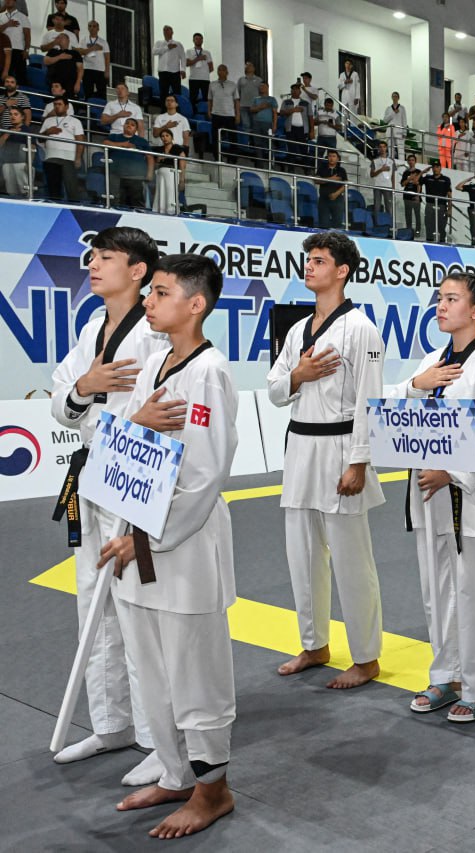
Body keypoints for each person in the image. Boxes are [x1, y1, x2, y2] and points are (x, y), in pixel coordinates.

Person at [104, 253, 237, 840]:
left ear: (195, 304)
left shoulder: (209, 373)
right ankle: (176, 773)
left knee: (194, 672)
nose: (148, 301)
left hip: (180, 545)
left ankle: (213, 790)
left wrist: (145, 539)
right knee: (154, 672)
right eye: (150, 291)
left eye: (160, 292)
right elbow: (126, 442)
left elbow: (204, 476)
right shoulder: (157, 362)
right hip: (137, 535)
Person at [48, 227, 166, 787]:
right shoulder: (92, 327)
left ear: (138, 270)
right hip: (92, 471)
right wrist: (84, 386)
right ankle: (111, 722)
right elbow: (60, 402)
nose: (93, 265)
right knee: (92, 603)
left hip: (137, 476)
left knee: (139, 609)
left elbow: (166, 407)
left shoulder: (155, 331)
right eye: (92, 257)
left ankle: (157, 737)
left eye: (107, 258)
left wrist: (119, 417)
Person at [266, 232, 386, 689]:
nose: (309, 266)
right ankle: (314, 644)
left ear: (342, 271)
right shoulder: (298, 329)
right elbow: (275, 389)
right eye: (308, 260)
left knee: (352, 562)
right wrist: (298, 375)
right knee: (302, 557)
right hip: (301, 447)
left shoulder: (360, 329)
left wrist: (359, 462)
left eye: (319, 260)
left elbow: (370, 400)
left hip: (340, 449)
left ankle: (366, 657)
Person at [398, 273, 475, 722]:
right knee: (438, 590)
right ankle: (445, 675)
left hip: (471, 493)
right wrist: (417, 383)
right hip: (430, 494)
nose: (441, 306)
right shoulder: (432, 360)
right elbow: (396, 412)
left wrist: (451, 470)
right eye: (439, 298)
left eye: (451, 299)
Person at [38, 95, 84, 202]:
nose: (57, 106)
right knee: (53, 188)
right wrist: (48, 132)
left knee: (71, 187)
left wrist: (78, 158)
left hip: (69, 158)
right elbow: (40, 139)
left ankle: (74, 207)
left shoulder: (75, 121)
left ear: (66, 106)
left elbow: (80, 141)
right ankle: (55, 206)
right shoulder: (48, 121)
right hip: (51, 157)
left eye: (60, 104)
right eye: (55, 105)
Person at [102, 117, 152, 208]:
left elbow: (150, 157)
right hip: (115, 174)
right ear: (123, 125)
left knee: (136, 203)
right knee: (115, 201)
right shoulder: (114, 137)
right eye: (127, 123)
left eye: (132, 125)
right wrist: (122, 144)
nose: (129, 125)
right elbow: (105, 143)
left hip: (135, 176)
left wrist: (149, 174)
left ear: (136, 129)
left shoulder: (142, 141)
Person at [150, 127, 185, 215]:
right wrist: (158, 160)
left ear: (172, 137)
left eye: (167, 135)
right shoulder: (158, 149)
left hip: (172, 174)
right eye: (162, 136)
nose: (164, 138)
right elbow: (154, 164)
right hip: (160, 175)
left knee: (171, 194)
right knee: (160, 194)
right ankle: (159, 211)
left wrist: (182, 180)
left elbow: (182, 165)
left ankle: (171, 212)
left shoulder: (177, 148)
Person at [0, 105, 34, 196]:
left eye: (16, 114)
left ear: (22, 117)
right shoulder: (8, 130)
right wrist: (8, 133)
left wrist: (29, 163)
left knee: (24, 190)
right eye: (10, 114)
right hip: (7, 163)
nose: (12, 117)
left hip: (21, 163)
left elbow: (32, 148)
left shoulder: (27, 130)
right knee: (10, 190)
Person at [208, 65, 237, 160]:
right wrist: (209, 111)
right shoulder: (212, 84)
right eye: (219, 70)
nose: (221, 71)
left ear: (227, 72)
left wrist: (238, 115)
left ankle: (232, 158)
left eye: (223, 70)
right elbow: (209, 99)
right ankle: (217, 157)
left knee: (232, 137)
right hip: (216, 114)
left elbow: (236, 101)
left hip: (230, 114)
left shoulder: (232, 85)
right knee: (215, 137)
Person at [0, 0, 31, 86]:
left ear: (15, 2)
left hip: (18, 50)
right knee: (3, 76)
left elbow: (27, 35)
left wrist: (27, 50)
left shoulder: (22, 17)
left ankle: (21, 94)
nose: (8, 1)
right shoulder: (0, 16)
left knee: (20, 77)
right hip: (2, 51)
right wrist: (7, 24)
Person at [278, 83, 311, 164]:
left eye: (296, 89)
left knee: (304, 149)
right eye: (293, 89)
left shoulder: (306, 103)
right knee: (291, 149)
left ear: (300, 91)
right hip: (290, 129)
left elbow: (310, 117)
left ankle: (306, 168)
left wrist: (312, 131)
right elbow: (281, 113)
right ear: (291, 91)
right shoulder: (286, 102)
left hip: (303, 129)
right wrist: (292, 110)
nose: (294, 90)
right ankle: (291, 168)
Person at [421, 159, 451, 243]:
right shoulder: (428, 178)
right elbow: (416, 181)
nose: (435, 169)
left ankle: (442, 243)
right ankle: (429, 242)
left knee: (441, 226)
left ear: (440, 168)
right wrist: (423, 172)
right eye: (433, 167)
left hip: (441, 205)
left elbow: (449, 195)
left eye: (437, 167)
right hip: (430, 204)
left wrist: (450, 209)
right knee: (429, 225)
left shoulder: (446, 179)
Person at [315, 149, 347, 229]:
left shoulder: (341, 170)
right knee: (323, 224)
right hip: (323, 199)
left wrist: (336, 194)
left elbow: (346, 185)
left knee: (337, 225)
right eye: (329, 156)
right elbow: (316, 180)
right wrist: (331, 179)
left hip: (337, 199)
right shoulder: (322, 168)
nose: (331, 158)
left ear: (338, 158)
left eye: (333, 156)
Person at [151, 26, 184, 102]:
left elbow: (183, 57)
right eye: (164, 30)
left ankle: (177, 109)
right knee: (163, 93)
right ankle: (163, 109)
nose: (165, 31)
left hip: (175, 72)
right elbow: (154, 52)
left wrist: (183, 69)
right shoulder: (159, 43)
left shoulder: (178, 44)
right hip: (163, 71)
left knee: (177, 93)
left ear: (172, 32)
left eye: (168, 30)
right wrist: (167, 47)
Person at [79, 20, 108, 99]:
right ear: (88, 28)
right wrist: (93, 48)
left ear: (98, 28)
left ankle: (101, 105)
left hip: (100, 69)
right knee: (88, 91)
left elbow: (107, 56)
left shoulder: (103, 42)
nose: (92, 28)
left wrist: (107, 70)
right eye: (90, 26)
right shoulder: (83, 40)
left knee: (102, 92)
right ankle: (88, 105)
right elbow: (81, 52)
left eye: (94, 26)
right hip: (87, 68)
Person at [399, 153, 423, 238]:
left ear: (415, 161)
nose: (411, 162)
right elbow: (403, 184)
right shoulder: (406, 172)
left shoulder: (418, 172)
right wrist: (409, 178)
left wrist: (418, 195)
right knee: (408, 215)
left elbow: (420, 184)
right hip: (407, 196)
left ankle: (417, 231)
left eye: (412, 160)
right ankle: (409, 231)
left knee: (417, 215)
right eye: (409, 160)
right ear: (407, 162)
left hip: (415, 196)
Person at [185, 33, 212, 104]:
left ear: (202, 40)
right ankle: (193, 111)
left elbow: (211, 67)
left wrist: (204, 72)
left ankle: (205, 111)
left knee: (206, 99)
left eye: (200, 39)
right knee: (193, 99)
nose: (198, 40)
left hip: (205, 79)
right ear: (193, 40)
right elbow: (187, 63)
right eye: (196, 39)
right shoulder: (189, 51)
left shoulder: (207, 52)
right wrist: (198, 58)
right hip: (193, 78)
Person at [235, 62, 263, 130]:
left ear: (254, 68)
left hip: (255, 107)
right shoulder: (241, 79)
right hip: (243, 106)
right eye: (247, 66)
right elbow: (237, 93)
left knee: (255, 125)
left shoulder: (259, 80)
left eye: (250, 65)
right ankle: (247, 137)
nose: (248, 67)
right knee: (246, 125)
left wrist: (260, 106)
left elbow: (262, 93)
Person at [369, 140, 394, 215]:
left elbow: (393, 175)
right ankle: (376, 221)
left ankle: (389, 221)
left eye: (384, 147)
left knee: (389, 207)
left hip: (388, 186)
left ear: (386, 148)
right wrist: (381, 170)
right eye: (380, 147)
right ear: (378, 149)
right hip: (377, 185)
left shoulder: (391, 161)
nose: (382, 149)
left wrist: (393, 187)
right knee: (377, 206)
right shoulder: (375, 161)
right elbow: (372, 174)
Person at [382, 91, 407, 158]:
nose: (394, 98)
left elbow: (404, 121)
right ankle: (391, 159)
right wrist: (393, 113)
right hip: (390, 131)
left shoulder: (402, 108)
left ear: (398, 98)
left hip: (399, 130)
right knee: (390, 148)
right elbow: (385, 120)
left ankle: (401, 161)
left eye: (396, 96)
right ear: (391, 97)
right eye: (393, 96)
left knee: (401, 149)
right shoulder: (388, 109)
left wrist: (404, 132)